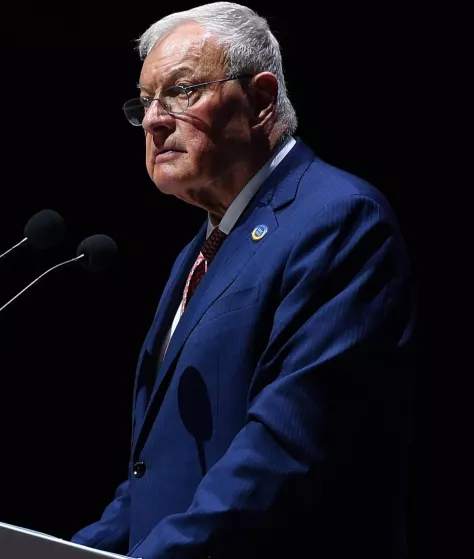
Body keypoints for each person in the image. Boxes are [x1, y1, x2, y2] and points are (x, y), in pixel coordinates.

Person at [70, 3, 415, 558]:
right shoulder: (199, 252)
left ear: (259, 100)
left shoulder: (340, 219)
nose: (156, 119)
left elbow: (284, 449)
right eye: (146, 101)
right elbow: (156, 475)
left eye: (184, 92)